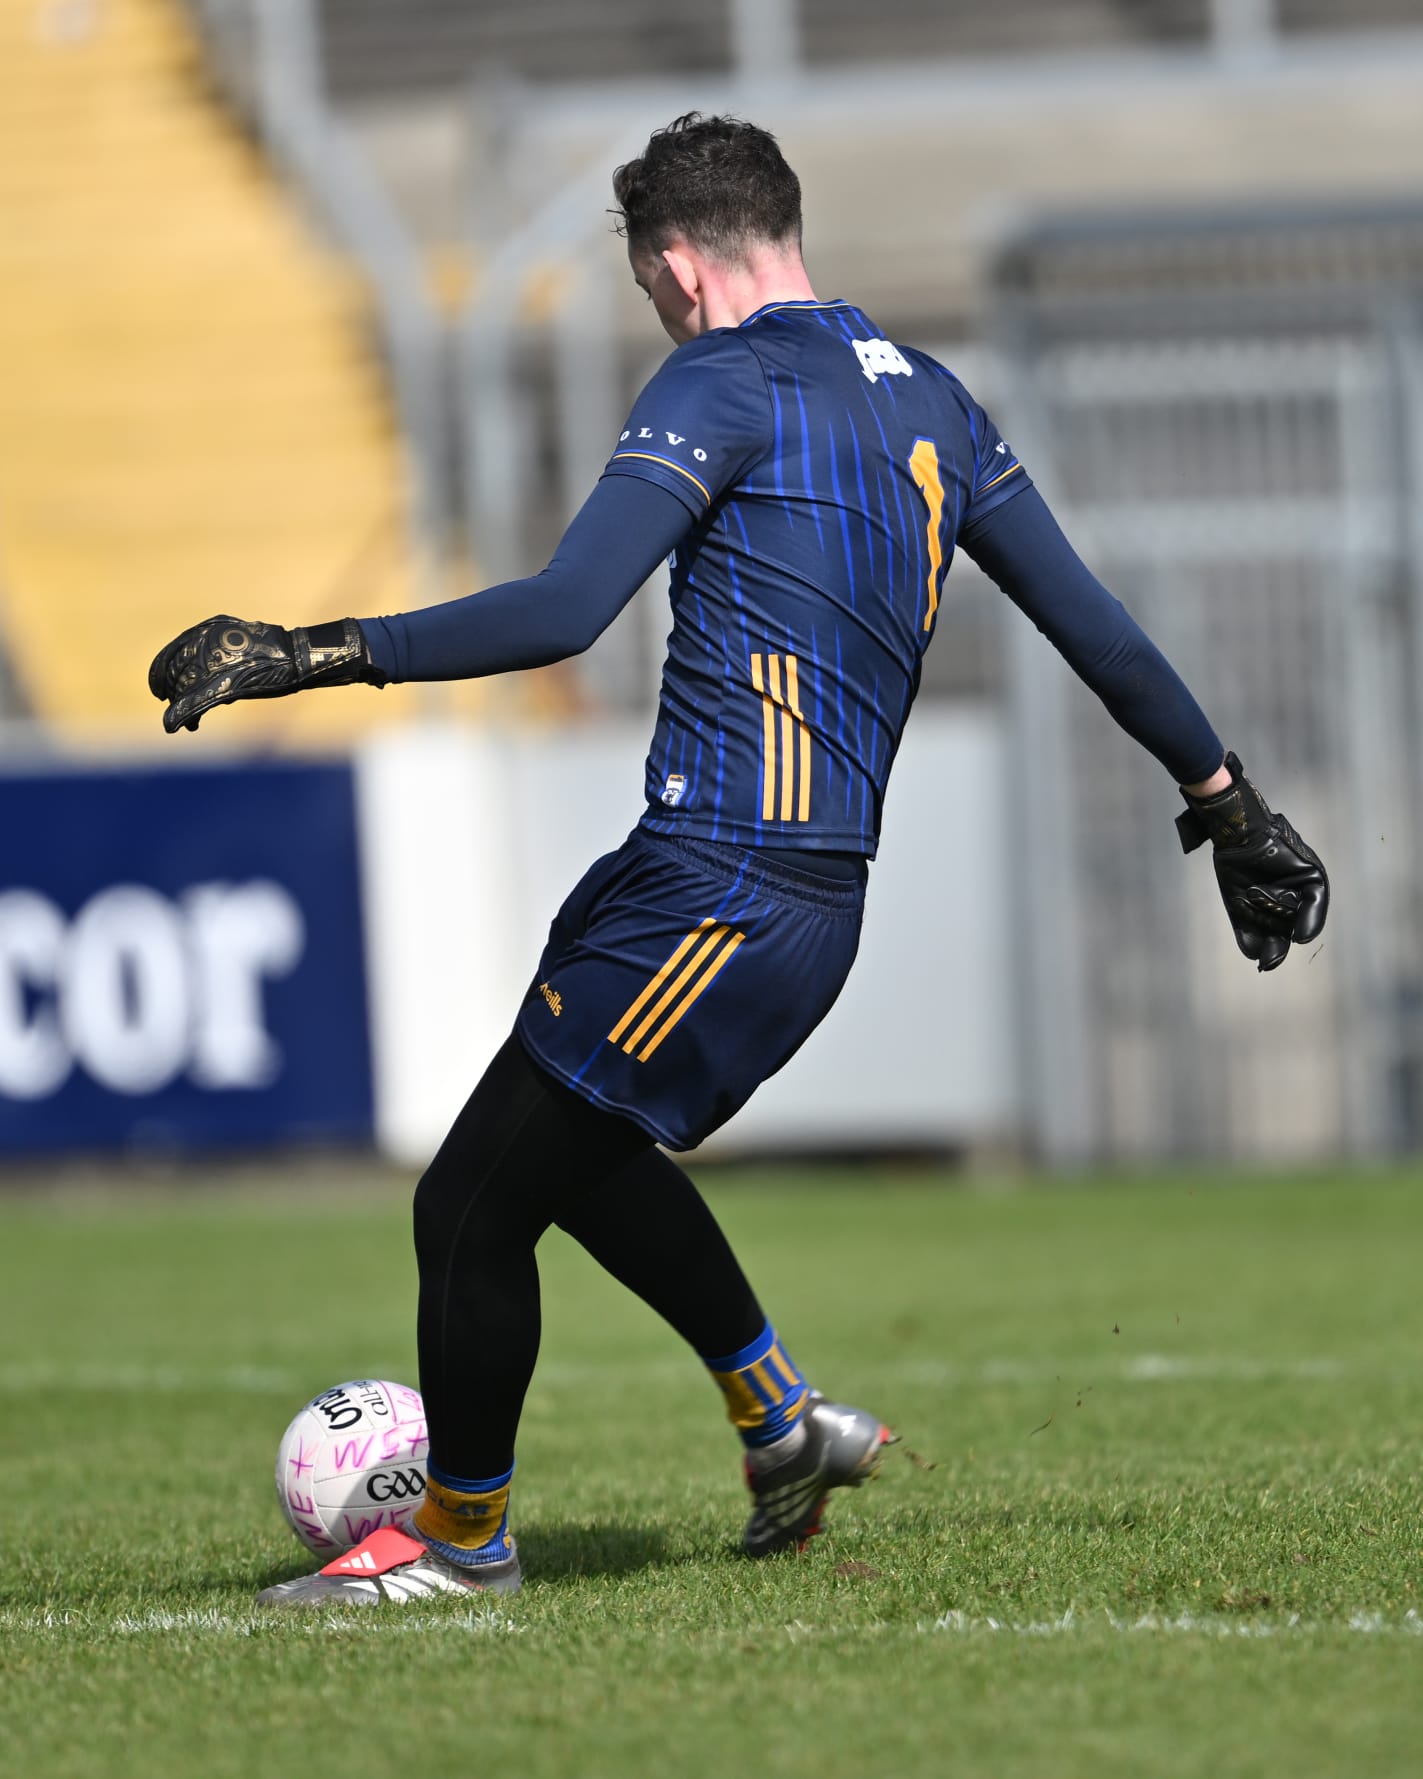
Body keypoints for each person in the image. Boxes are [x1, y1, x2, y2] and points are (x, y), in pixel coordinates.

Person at [149, 114, 1328, 1609]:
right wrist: (1229, 802)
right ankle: (782, 1422)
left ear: (681, 265)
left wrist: (310, 650)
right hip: (786, 901)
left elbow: (566, 609)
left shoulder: (722, 377)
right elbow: (1093, 623)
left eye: (651, 285)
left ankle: (459, 1546)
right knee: (574, 1150)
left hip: (720, 887)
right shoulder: (935, 399)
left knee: (468, 1205)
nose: (658, 308)